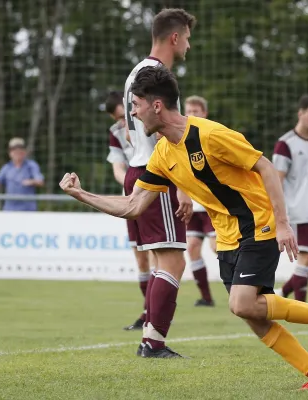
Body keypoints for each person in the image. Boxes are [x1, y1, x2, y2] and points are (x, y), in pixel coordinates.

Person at [59, 66, 308, 389]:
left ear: (156, 106)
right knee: (253, 315)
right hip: (227, 236)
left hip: (257, 222)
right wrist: (80, 194)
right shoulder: (162, 154)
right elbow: (132, 206)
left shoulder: (209, 134)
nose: (132, 112)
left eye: (136, 104)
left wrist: (283, 224)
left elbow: (265, 167)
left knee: (240, 303)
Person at [120, 8, 197, 358]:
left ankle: (149, 338)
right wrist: (182, 185)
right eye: (188, 39)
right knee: (173, 262)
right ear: (175, 37)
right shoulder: (159, 76)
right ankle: (153, 342)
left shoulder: (135, 72)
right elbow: (170, 135)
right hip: (158, 173)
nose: (189, 47)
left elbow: (127, 127)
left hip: (137, 170)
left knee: (158, 261)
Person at [104, 90, 156, 330]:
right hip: (132, 196)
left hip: (154, 191)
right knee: (140, 256)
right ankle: (147, 310)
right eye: (116, 118)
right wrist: (131, 186)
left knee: (157, 252)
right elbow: (117, 168)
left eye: (122, 116)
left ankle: (156, 310)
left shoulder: (149, 123)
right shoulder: (116, 133)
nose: (121, 122)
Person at [272, 95, 308, 302]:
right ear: (301, 114)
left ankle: (282, 293)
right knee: (305, 259)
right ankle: (301, 308)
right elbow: (275, 180)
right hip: (297, 211)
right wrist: (278, 212)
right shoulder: (285, 144)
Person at [183, 95, 215, 307]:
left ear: (204, 114)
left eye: (196, 111)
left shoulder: (211, 135)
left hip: (212, 204)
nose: (192, 115)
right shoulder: (180, 138)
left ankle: (245, 287)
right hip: (192, 205)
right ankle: (206, 297)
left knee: (219, 247)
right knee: (192, 247)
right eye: (189, 111)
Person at [0, 137, 44, 211]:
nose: (18, 151)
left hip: (28, 210)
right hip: (10, 210)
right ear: (10, 153)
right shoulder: (6, 167)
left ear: (24, 151)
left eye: (20, 148)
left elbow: (40, 182)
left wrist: (31, 182)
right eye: (14, 149)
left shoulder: (31, 165)